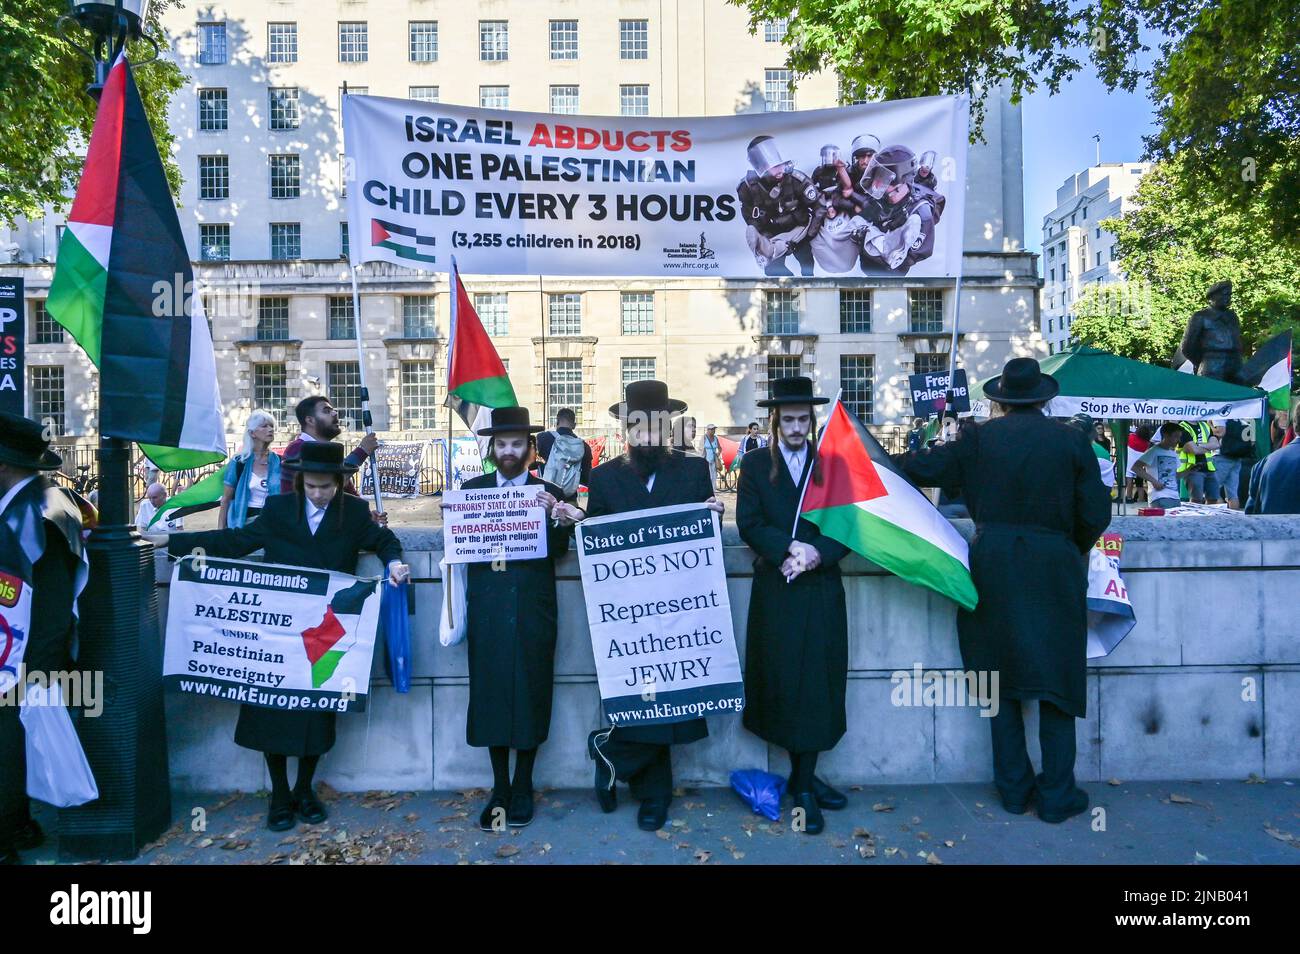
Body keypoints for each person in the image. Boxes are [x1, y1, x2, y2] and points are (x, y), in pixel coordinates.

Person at [897, 358, 1111, 824]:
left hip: (992, 564)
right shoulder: (1072, 440)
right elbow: (1097, 514)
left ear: (998, 400)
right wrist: (1061, 546)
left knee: (997, 676)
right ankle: (1057, 794)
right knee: (1057, 681)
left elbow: (918, 469)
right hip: (1054, 566)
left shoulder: (976, 438)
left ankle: (1014, 789)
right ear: (1044, 398)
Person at [167, 442, 408, 831]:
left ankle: (304, 790)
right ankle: (279, 794)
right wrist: (170, 542)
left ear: (338, 483)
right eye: (311, 486)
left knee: (318, 712)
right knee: (271, 711)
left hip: (325, 632)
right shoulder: (279, 511)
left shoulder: (355, 512)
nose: (318, 493)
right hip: (276, 633)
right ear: (299, 483)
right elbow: (234, 542)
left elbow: (384, 540)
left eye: (325, 487)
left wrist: (394, 563)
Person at [583, 380, 725, 832]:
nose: (647, 435)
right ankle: (648, 790)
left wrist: (714, 520)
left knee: (674, 700)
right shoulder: (605, 479)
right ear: (627, 429)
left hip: (682, 611)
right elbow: (598, 542)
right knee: (640, 698)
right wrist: (575, 522)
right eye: (638, 427)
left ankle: (619, 762)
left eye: (655, 427)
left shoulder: (694, 471)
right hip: (627, 614)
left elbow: (706, 541)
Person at [736, 377, 850, 835]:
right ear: (775, 421)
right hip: (777, 592)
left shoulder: (833, 464)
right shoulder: (752, 464)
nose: (798, 427)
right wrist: (788, 549)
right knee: (784, 682)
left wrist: (815, 553)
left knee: (819, 684)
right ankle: (803, 781)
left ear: (813, 419)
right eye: (789, 420)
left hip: (820, 589)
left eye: (804, 419)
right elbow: (749, 523)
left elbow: (848, 522)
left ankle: (804, 782)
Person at [458, 407, 578, 831]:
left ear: (530, 450)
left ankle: (524, 783)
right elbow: (461, 547)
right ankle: (499, 787)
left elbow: (561, 550)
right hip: (489, 609)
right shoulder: (470, 490)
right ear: (492, 449)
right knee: (490, 693)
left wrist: (557, 517)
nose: (509, 451)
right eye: (502, 444)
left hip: (532, 607)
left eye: (517, 444)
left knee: (531, 691)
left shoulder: (551, 492)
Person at [0, 412, 86, 865]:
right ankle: (19, 825)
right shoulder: (43, 500)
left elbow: (52, 602)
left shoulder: (36, 513)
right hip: (19, 655)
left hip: (23, 660)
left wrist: (39, 670)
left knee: (7, 749)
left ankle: (7, 839)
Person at [737, 135, 822, 276]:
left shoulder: (797, 180)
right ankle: (790, 294)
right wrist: (772, 243)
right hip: (773, 236)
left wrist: (808, 236)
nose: (780, 169)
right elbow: (751, 220)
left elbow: (819, 207)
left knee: (806, 265)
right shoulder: (747, 187)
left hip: (800, 231)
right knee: (773, 272)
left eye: (781, 164)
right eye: (774, 166)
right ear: (760, 166)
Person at [279, 396, 378, 498]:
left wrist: (367, 513)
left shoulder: (328, 452)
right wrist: (362, 451)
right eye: (326, 411)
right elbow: (332, 481)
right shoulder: (297, 449)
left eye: (333, 410)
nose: (335, 413)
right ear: (310, 420)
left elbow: (348, 493)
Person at [220, 410, 282, 529]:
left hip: (273, 524)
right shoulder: (239, 462)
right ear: (252, 433)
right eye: (264, 426)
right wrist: (220, 533)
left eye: (271, 426)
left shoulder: (280, 462)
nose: (270, 429)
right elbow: (226, 500)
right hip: (244, 524)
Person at [1247, 405, 1300, 514]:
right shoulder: (1262, 464)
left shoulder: (1262, 464)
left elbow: (1251, 515)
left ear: (1294, 425)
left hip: (1270, 529)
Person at [534, 407, 592, 502]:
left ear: (557, 422)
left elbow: (531, 463)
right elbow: (586, 479)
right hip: (569, 501)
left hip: (545, 498)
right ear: (574, 425)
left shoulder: (542, 438)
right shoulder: (584, 447)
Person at [1130, 423, 1184, 510]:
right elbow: (1136, 467)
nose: (1178, 440)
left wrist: (1190, 469)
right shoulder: (1153, 451)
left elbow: (1175, 475)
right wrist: (1154, 481)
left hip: (1175, 496)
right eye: (1176, 436)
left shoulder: (1173, 453)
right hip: (1159, 497)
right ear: (1166, 435)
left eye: (1179, 437)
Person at [1215, 419, 1255, 509]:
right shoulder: (1247, 417)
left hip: (1221, 457)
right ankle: (1234, 520)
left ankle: (1217, 519)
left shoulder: (1220, 415)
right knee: (1232, 494)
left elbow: (1220, 432)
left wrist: (1209, 425)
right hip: (1238, 457)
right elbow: (1252, 442)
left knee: (1213, 491)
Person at [1177, 420, 1218, 503]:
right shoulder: (1182, 427)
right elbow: (1193, 450)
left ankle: (1210, 516)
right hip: (1192, 468)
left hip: (1209, 468)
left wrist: (1198, 445)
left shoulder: (1205, 425)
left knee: (1213, 498)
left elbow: (1216, 444)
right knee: (1196, 500)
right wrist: (1208, 446)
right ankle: (1194, 516)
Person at [1124, 424, 1154, 503]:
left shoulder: (1130, 437)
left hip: (1129, 464)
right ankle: (1141, 500)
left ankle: (1129, 497)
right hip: (1139, 466)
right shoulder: (1147, 444)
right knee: (1140, 484)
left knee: (1129, 481)